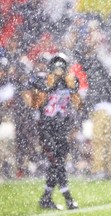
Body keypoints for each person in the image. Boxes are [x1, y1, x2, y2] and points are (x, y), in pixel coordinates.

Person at [27, 53, 80, 210]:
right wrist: (50, 84)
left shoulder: (68, 80)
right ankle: (68, 199)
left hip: (61, 128)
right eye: (56, 66)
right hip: (46, 128)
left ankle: (45, 198)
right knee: (57, 163)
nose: (59, 70)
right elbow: (35, 90)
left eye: (62, 66)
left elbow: (76, 93)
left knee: (56, 165)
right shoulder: (42, 79)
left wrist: (70, 83)